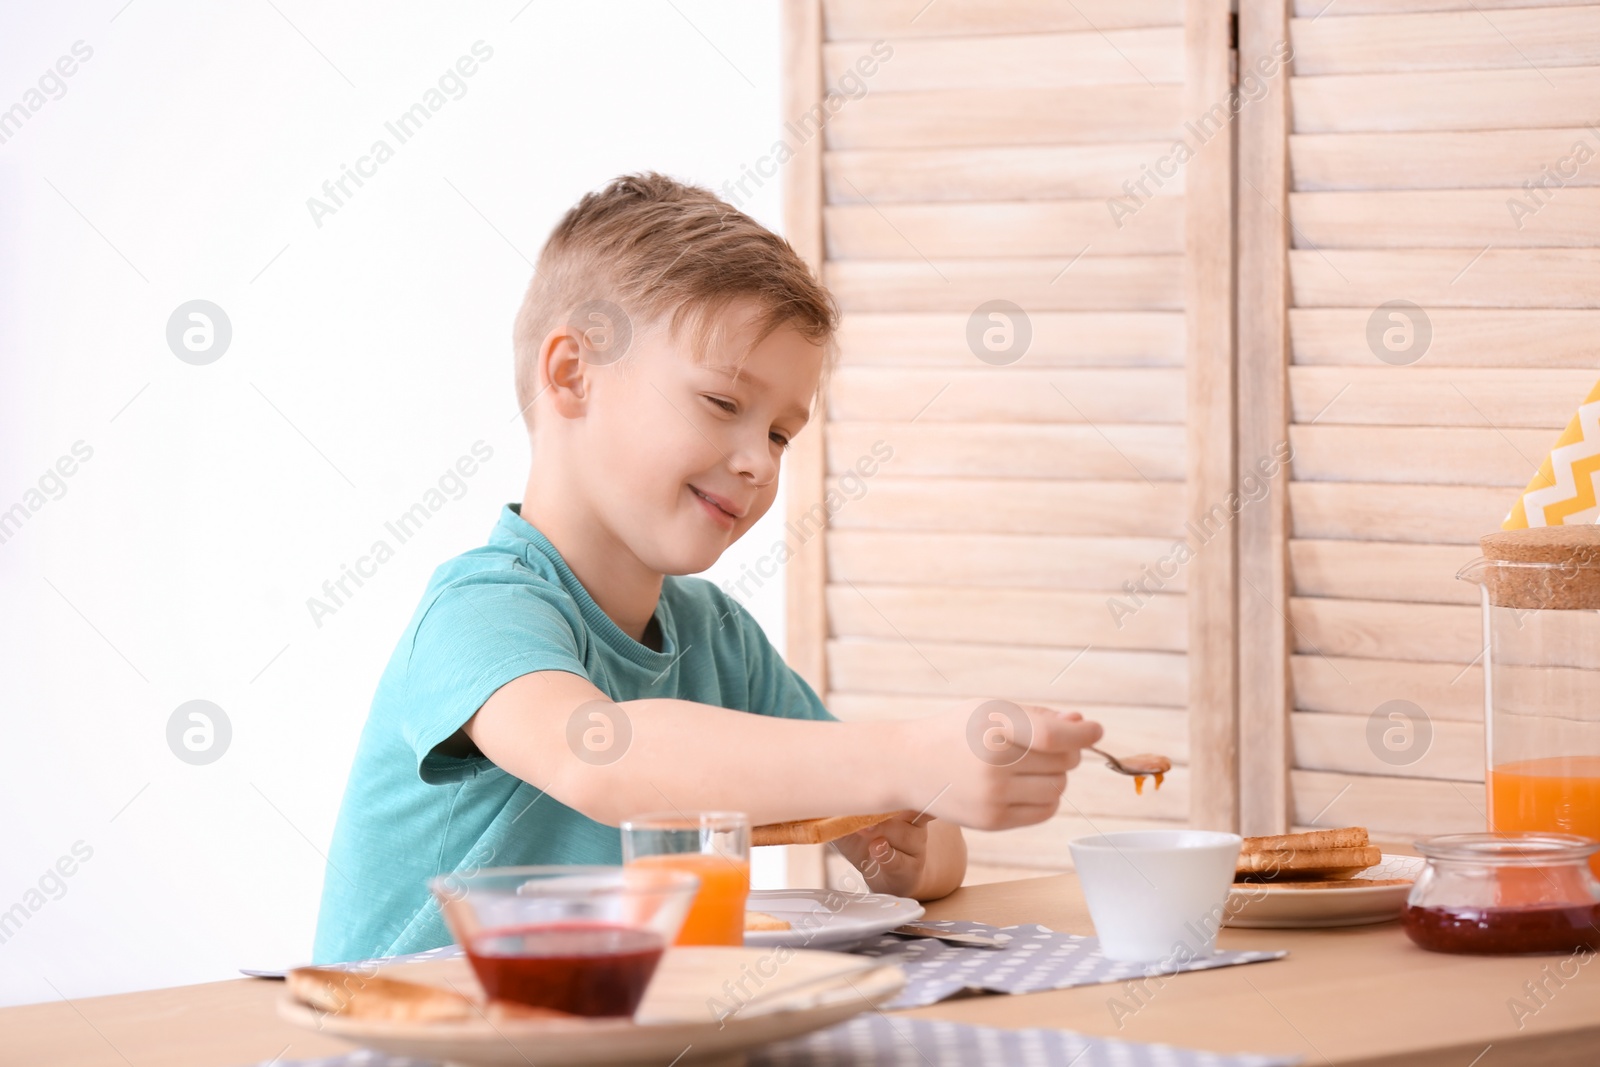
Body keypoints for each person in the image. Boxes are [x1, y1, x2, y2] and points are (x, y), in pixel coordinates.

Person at [312, 173, 1102, 963]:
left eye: (783, 434)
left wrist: (901, 827)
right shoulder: (478, 609)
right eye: (725, 404)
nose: (759, 461)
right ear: (570, 374)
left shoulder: (716, 637)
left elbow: (918, 849)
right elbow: (602, 756)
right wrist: (904, 759)